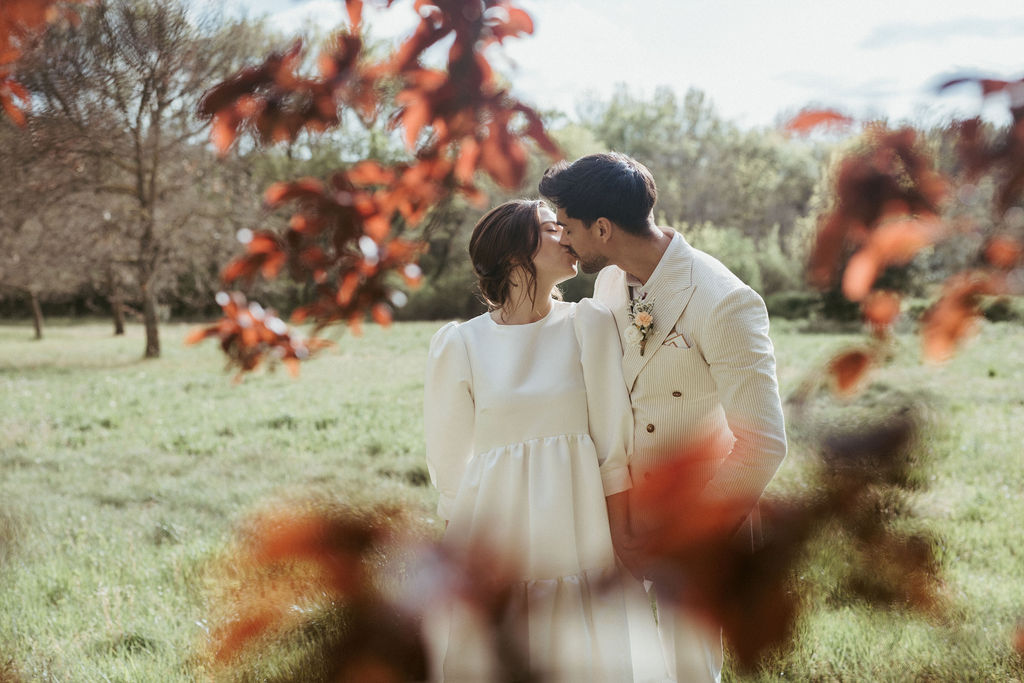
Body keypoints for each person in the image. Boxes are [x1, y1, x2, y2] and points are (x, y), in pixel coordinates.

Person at [539, 152, 788, 683]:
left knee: (691, 670)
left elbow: (763, 443)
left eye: (568, 225)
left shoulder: (725, 302)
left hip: (698, 522)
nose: (563, 238)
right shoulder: (609, 283)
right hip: (620, 515)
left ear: (602, 228)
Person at [423, 199, 669, 681]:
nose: (568, 236)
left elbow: (610, 447)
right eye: (551, 228)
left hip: (579, 525)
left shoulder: (587, 323)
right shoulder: (461, 344)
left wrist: (621, 537)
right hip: (495, 528)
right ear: (515, 254)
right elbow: (450, 469)